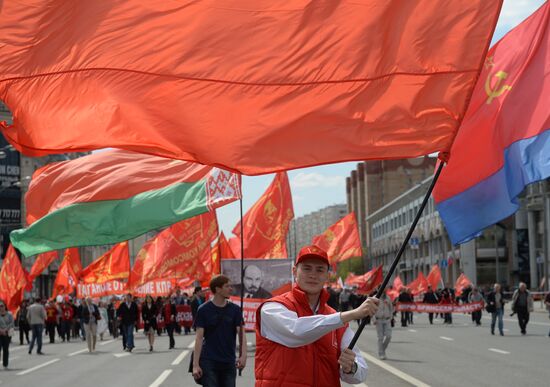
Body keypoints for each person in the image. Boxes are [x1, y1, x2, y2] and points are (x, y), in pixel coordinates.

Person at [255, 245, 379, 386]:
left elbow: (359, 374)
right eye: (307, 268)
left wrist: (351, 368)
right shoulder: (273, 308)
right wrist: (352, 314)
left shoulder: (335, 320)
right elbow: (297, 332)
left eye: (320, 270)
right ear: (294, 271)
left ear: (327, 275)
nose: (313, 275)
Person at [193, 275, 246, 387]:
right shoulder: (203, 310)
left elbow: (241, 334)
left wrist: (243, 356)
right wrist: (195, 365)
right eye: (227, 286)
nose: (231, 289)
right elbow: (199, 338)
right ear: (217, 289)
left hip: (229, 361)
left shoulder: (235, 310)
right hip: (209, 361)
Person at [374, 289, 394, 360]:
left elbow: (391, 308)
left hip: (387, 320)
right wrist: (374, 319)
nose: (384, 291)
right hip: (378, 320)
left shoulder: (388, 298)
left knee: (388, 336)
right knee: (380, 338)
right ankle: (381, 353)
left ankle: (382, 349)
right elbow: (372, 309)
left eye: (385, 290)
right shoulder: (375, 298)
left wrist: (391, 317)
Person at [0, 300, 15, 369]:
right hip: (0, 333)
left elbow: (12, 323)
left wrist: (5, 329)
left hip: (7, 333)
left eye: (2, 306)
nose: (1, 308)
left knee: (6, 349)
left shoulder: (9, 314)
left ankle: (5, 364)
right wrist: (1, 330)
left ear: (5, 306)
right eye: (0, 306)